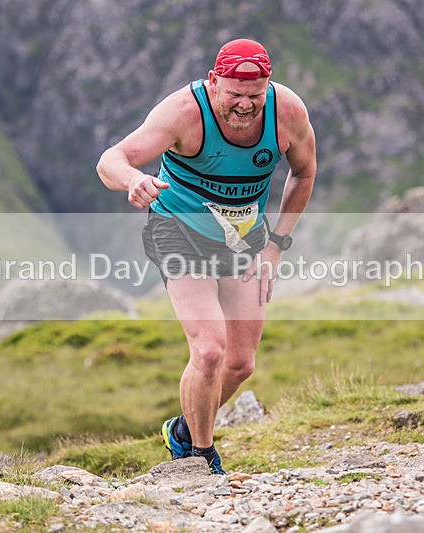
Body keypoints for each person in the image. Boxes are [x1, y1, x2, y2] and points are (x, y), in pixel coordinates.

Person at [96, 38, 316, 475]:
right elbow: (111, 160)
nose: (245, 105)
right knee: (210, 350)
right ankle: (199, 456)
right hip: (179, 233)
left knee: (240, 364)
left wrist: (276, 245)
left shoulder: (287, 112)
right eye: (234, 94)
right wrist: (133, 180)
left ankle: (182, 428)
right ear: (214, 81)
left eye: (255, 95)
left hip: (245, 239)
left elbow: (304, 171)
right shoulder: (183, 112)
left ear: (268, 86)